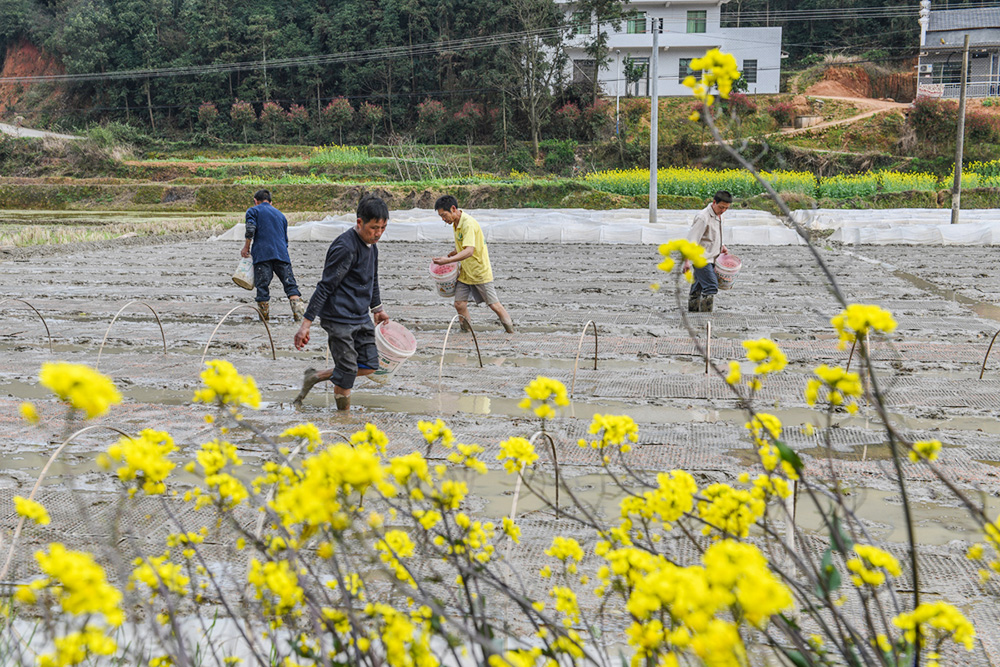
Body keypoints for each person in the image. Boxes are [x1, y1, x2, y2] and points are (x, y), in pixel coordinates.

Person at [292, 195, 390, 411]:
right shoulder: (345, 247)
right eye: (374, 228)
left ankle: (315, 376)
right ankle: (343, 418)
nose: (378, 233)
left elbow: (372, 279)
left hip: (360, 315)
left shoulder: (372, 247)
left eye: (383, 228)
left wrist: (378, 308)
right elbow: (325, 286)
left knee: (370, 364)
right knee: (346, 375)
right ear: (359, 223)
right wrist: (306, 324)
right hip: (338, 318)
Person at [432, 195, 514, 333]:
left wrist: (448, 260)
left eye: (444, 215)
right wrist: (454, 252)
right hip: (465, 272)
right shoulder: (455, 223)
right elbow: (464, 245)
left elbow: (469, 250)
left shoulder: (467, 224)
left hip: (478, 271)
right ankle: (466, 332)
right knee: (459, 304)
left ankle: (511, 331)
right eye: (441, 216)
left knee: (494, 305)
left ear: (453, 209)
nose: (443, 219)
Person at [240, 189, 306, 323]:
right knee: (291, 286)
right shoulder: (281, 215)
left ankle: (264, 320)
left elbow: (250, 229)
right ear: (271, 202)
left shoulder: (253, 211)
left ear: (255, 201)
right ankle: (299, 318)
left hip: (263, 254)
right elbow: (285, 240)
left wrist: (246, 247)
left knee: (262, 287)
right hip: (282, 254)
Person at [683, 190, 732, 313]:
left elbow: (711, 236)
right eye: (721, 207)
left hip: (712, 258)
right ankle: (706, 316)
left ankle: (693, 312)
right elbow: (691, 241)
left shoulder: (719, 216)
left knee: (698, 287)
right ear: (714, 202)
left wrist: (722, 246)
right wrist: (686, 262)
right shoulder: (703, 217)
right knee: (711, 286)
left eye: (726, 208)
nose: (723, 210)